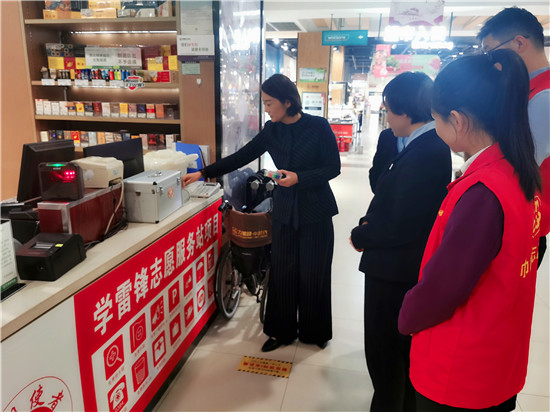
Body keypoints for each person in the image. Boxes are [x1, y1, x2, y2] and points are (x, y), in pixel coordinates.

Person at [398, 49, 544, 411]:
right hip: (497, 356)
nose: (436, 129)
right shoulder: (518, 172)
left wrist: (407, 314)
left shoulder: (483, 193)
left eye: (437, 120)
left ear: (458, 121)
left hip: (461, 371)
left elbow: (444, 287)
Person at [183, 74, 341, 352]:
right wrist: (203, 172)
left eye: (269, 103)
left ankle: (314, 330)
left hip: (315, 210)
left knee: (314, 272)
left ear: (287, 102)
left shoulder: (318, 126)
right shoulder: (272, 131)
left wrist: (300, 178)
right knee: (282, 272)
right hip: (284, 209)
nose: (266, 109)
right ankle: (281, 331)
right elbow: (241, 156)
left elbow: (333, 167)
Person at [349, 72, 451, 412]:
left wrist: (361, 235)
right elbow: (393, 198)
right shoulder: (421, 144)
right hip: (397, 264)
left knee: (386, 353)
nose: (386, 117)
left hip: (395, 270)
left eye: (389, 110)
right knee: (393, 354)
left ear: (406, 111)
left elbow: (402, 224)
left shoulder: (427, 151)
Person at [478, 6, 549, 266]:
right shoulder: (526, 89)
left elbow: (517, 165)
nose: (490, 61)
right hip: (515, 214)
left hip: (520, 218)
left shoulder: (544, 97)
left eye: (491, 51)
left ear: (519, 43)